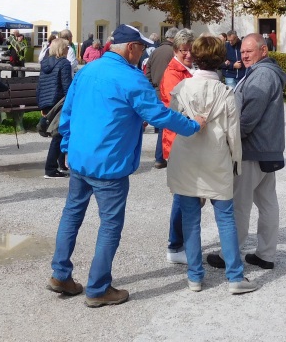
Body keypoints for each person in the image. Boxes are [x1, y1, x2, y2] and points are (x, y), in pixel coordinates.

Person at [47, 24, 206, 308]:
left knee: (71, 215)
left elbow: (67, 112)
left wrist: (67, 147)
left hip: (81, 159)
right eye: (142, 48)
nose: (143, 54)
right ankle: (98, 288)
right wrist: (193, 126)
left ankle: (60, 274)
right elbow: (158, 115)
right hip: (110, 164)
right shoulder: (131, 78)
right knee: (109, 225)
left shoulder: (87, 70)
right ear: (131, 47)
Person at [167, 35, 256, 294]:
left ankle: (195, 276)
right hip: (216, 159)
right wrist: (236, 164)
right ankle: (235, 276)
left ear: (195, 57)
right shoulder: (226, 93)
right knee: (226, 218)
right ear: (220, 60)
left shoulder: (181, 88)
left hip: (186, 158)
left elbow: (173, 124)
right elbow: (233, 135)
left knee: (190, 219)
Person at [209, 33, 286, 271]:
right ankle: (266, 255)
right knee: (267, 203)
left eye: (249, 51)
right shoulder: (264, 72)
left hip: (253, 151)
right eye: (242, 51)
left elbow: (248, 117)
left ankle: (229, 254)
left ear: (263, 51)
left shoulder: (262, 75)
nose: (244, 55)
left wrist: (229, 139)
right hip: (266, 150)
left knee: (240, 205)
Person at [159, 29, 195, 262]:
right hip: (177, 141)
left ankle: (182, 241)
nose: (189, 54)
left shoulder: (187, 70)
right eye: (184, 51)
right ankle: (175, 245)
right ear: (176, 50)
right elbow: (181, 107)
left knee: (188, 194)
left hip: (186, 139)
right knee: (182, 195)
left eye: (191, 50)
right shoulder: (173, 73)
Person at [37, 37, 73, 178]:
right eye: (67, 47)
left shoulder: (44, 63)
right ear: (62, 49)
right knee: (58, 135)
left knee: (59, 133)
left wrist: (41, 104)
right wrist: (71, 103)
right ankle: (50, 169)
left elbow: (40, 85)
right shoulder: (64, 63)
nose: (68, 49)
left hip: (46, 102)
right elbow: (67, 85)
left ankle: (61, 165)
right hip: (59, 102)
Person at [145, 27, 178, 167]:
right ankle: (163, 156)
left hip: (156, 90)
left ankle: (160, 157)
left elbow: (147, 72)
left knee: (162, 124)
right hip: (169, 90)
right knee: (169, 125)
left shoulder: (155, 51)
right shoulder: (174, 52)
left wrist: (152, 86)